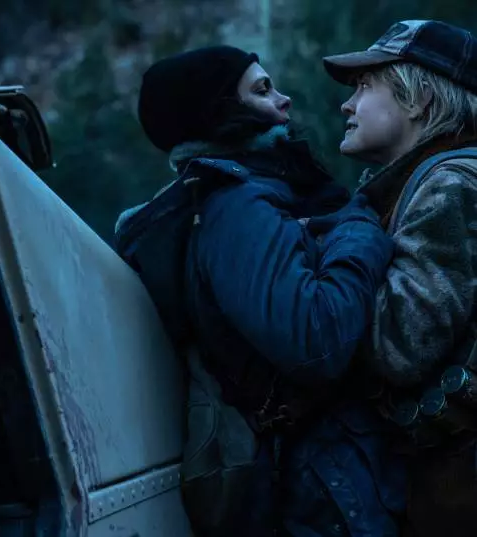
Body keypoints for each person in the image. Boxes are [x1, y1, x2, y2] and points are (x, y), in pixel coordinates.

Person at [115, 46, 401, 536]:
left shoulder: (251, 193)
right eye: (263, 90)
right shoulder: (237, 206)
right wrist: (359, 227)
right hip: (319, 482)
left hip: (322, 473)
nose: (284, 100)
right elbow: (315, 340)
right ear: (219, 110)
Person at [323, 19, 477, 537]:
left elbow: (400, 348)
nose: (347, 105)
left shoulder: (449, 185)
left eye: (365, 87)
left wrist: (333, 262)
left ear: (419, 100)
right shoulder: (430, 181)